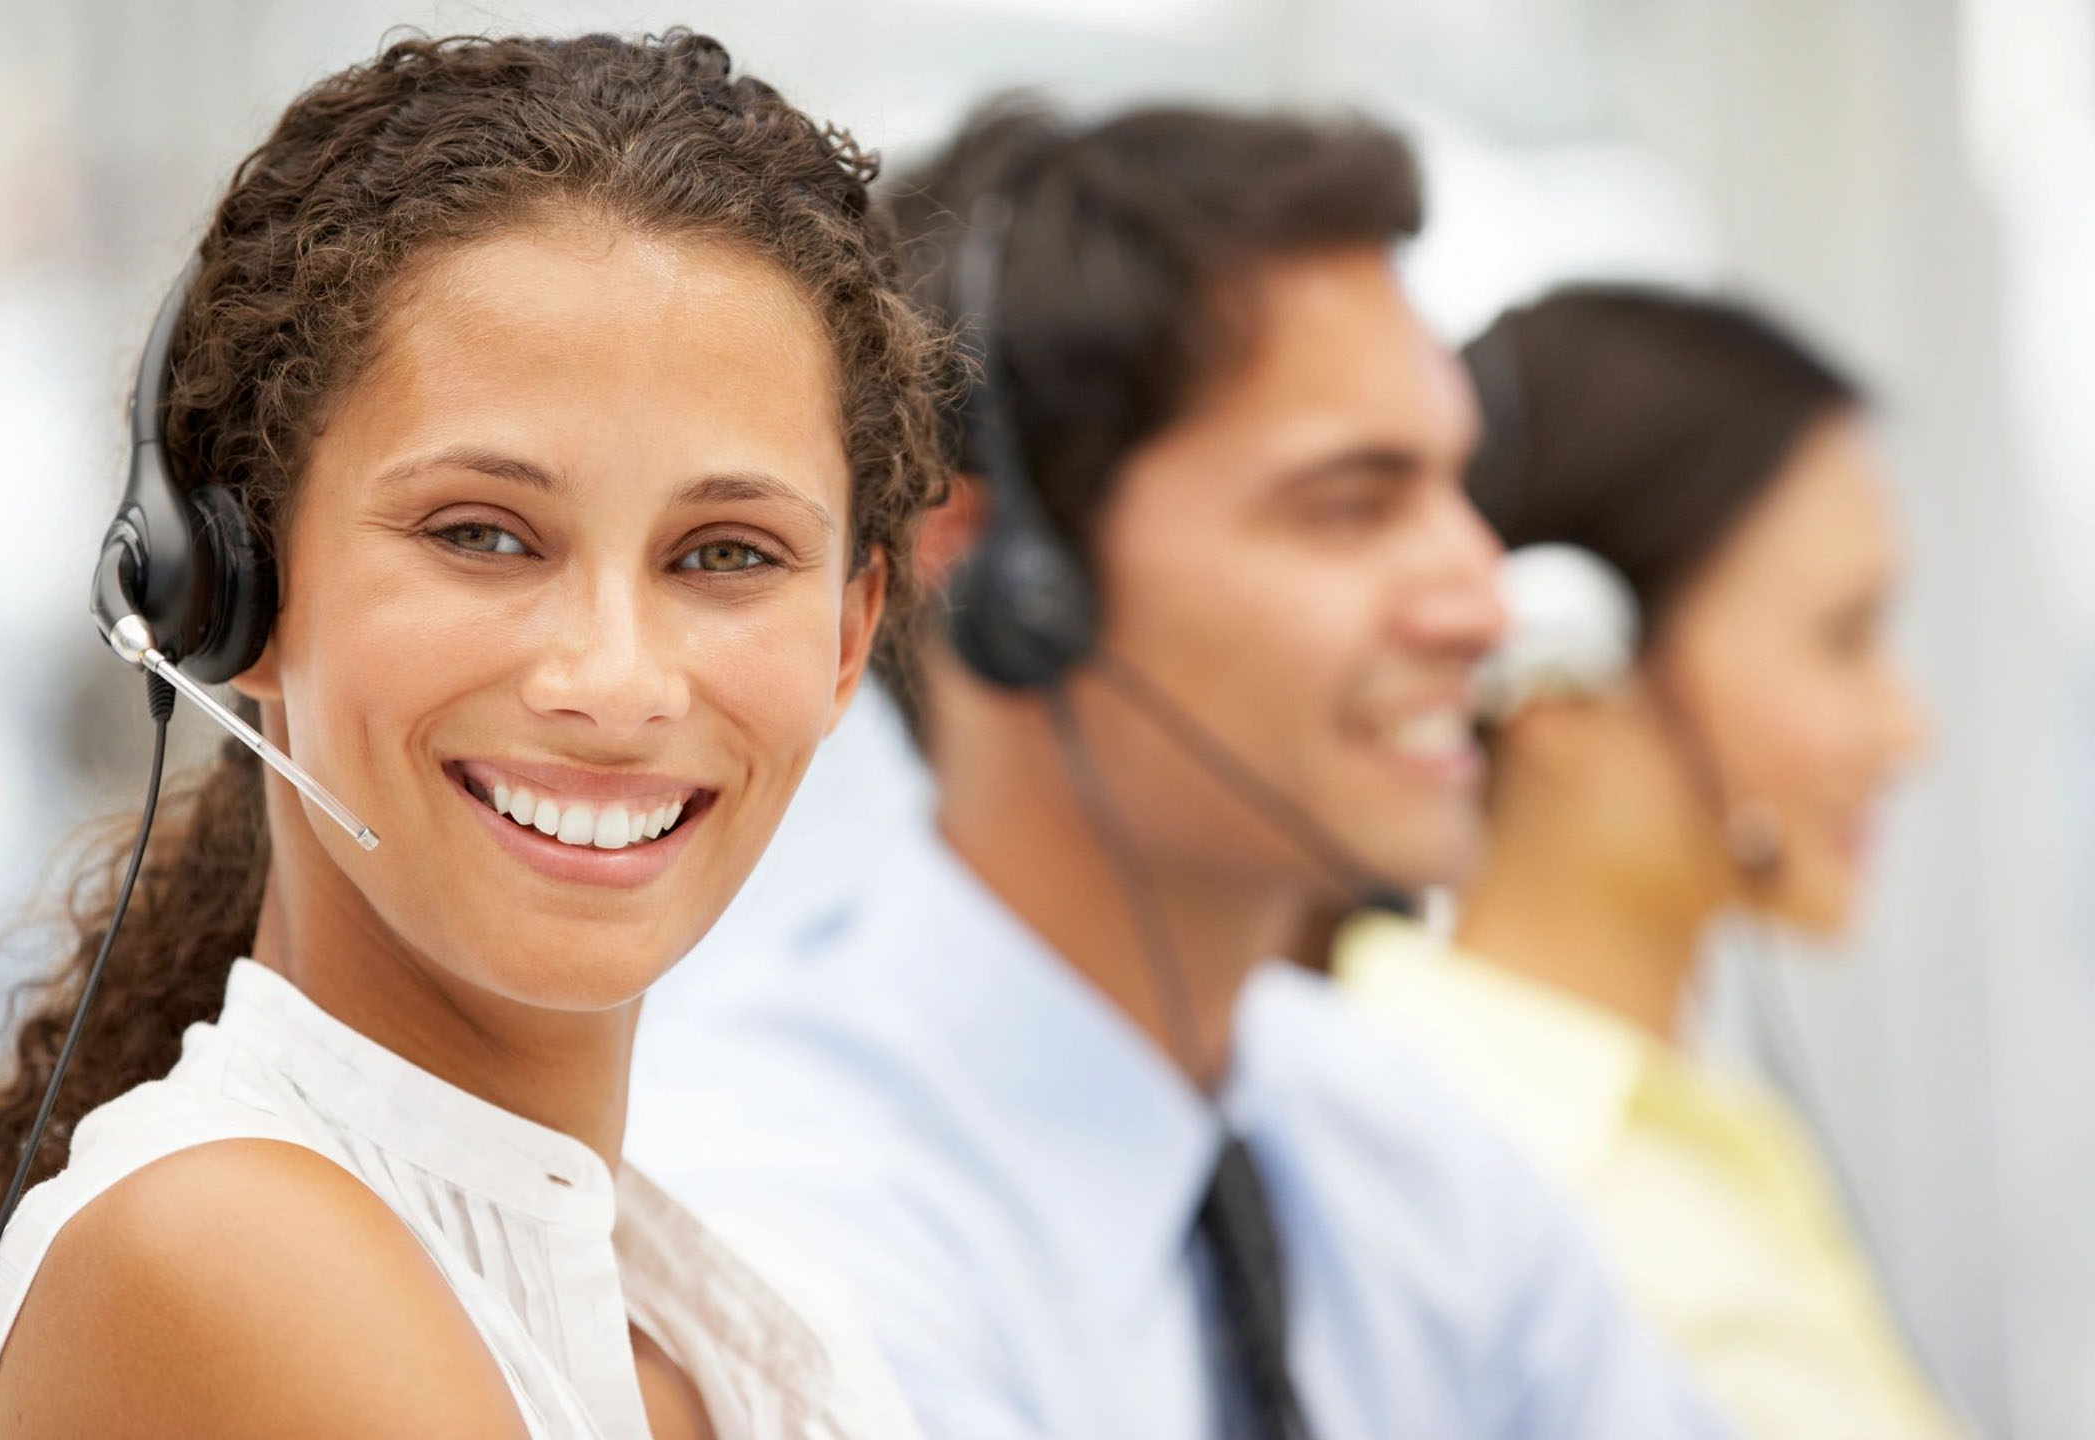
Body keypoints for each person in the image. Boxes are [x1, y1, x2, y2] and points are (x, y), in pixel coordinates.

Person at [627, 99, 1731, 1439]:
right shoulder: (780, 1213)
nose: (1482, 606)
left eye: (1459, 491)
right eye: (1351, 505)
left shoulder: (1391, 1146)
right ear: (1006, 581)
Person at [0, 31, 947, 1439]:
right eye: (483, 534)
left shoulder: (739, 1330)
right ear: (238, 588)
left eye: (725, 556)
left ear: (847, 641)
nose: (616, 681)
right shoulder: (222, 1255)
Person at [1336, 284, 1958, 1438]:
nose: (1908, 728)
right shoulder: (1454, 1182)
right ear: (1563, 672)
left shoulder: (1693, 1120)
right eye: (1841, 638)